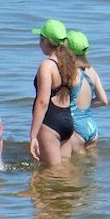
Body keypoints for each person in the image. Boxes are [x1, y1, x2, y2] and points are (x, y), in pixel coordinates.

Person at [28, 19, 76, 166]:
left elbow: (42, 102)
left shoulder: (47, 66)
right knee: (65, 170)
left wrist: (33, 136)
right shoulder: (70, 64)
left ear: (44, 41)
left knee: (50, 172)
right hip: (67, 120)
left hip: (50, 123)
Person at [65, 29, 109, 154]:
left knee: (76, 164)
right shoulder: (92, 71)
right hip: (91, 125)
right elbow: (103, 101)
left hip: (75, 127)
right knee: (92, 163)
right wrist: (85, 105)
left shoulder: (71, 73)